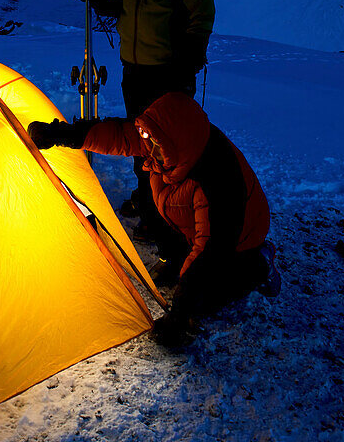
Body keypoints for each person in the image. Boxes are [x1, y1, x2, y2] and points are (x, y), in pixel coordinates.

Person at [28, 92, 279, 347]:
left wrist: (179, 316)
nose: (150, 148)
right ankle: (180, 260)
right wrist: (62, 135)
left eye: (157, 144)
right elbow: (118, 134)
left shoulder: (216, 181)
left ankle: (259, 264)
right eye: (149, 139)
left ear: (176, 144)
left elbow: (210, 251)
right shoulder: (169, 142)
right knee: (164, 223)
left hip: (236, 239)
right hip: (191, 220)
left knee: (205, 297)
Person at [74, 0, 215, 255]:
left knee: (169, 152)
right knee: (140, 144)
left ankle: (170, 218)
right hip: (133, 70)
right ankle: (147, 202)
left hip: (169, 73)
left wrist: (188, 60)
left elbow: (201, 18)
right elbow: (123, 7)